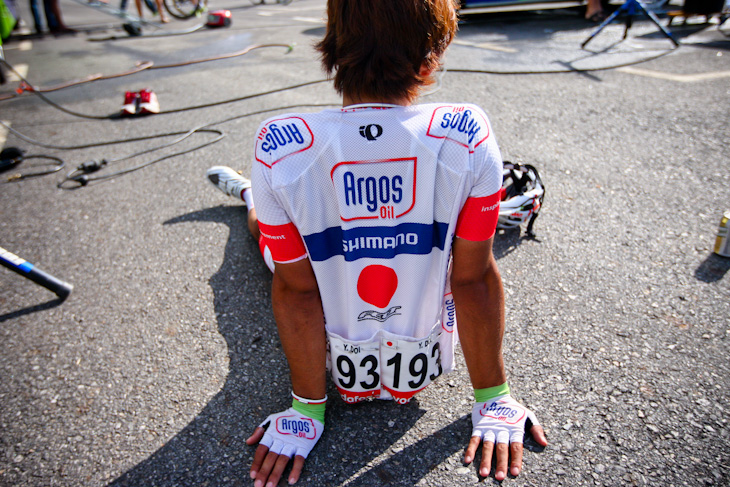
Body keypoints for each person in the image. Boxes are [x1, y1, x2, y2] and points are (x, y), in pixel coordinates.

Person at [207, 0, 547, 485]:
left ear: (333, 51)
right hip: (325, 277)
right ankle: (247, 195)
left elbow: (298, 290)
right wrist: (493, 398)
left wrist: (306, 407)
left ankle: (252, 193)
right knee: (261, 228)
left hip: (311, 259)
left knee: (276, 237)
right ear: (431, 56)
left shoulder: (279, 146)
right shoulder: (468, 135)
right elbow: (473, 274)